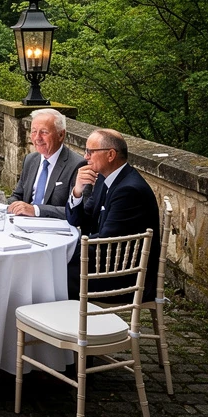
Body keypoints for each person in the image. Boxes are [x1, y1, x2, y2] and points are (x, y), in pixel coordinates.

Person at [66, 129, 161, 301]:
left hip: (125, 277)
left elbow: (106, 242)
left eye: (90, 151)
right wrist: (77, 190)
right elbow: (80, 220)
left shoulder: (129, 191)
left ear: (110, 154)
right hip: (108, 262)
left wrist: (64, 251)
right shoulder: (104, 178)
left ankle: (62, 325)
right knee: (53, 267)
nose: (85, 157)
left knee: (55, 272)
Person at [8, 109, 85, 218]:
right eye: (34, 131)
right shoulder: (30, 160)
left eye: (44, 132)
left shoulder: (77, 165)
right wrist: (8, 206)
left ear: (61, 135)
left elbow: (76, 211)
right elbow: (17, 195)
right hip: (23, 224)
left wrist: (36, 210)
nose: (37, 138)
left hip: (55, 230)